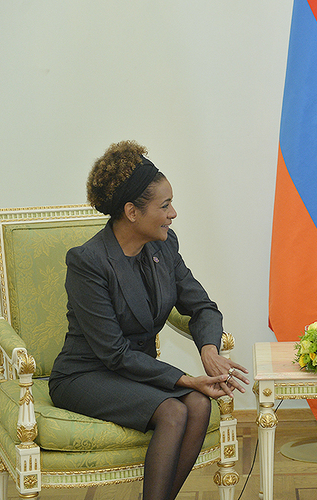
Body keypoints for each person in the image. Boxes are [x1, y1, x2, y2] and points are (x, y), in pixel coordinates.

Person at [49, 140, 248, 500]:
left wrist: (208, 349)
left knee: (198, 404)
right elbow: (114, 353)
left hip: (134, 372)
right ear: (132, 212)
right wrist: (186, 378)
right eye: (165, 205)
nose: (173, 214)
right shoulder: (88, 262)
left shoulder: (163, 246)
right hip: (86, 374)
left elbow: (202, 306)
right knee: (173, 412)